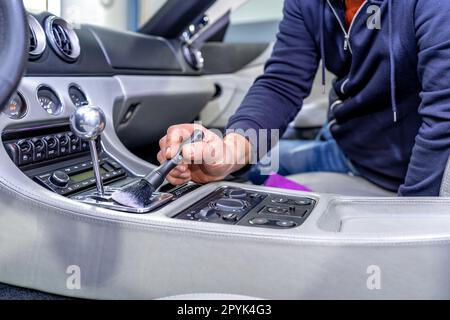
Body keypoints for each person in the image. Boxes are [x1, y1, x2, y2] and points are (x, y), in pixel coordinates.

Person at [158, 0, 450, 196]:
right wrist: (228, 152)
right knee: (252, 168)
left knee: (256, 177)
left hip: (389, 167)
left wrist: (411, 214)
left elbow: (443, 118)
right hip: (344, 138)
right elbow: (282, 83)